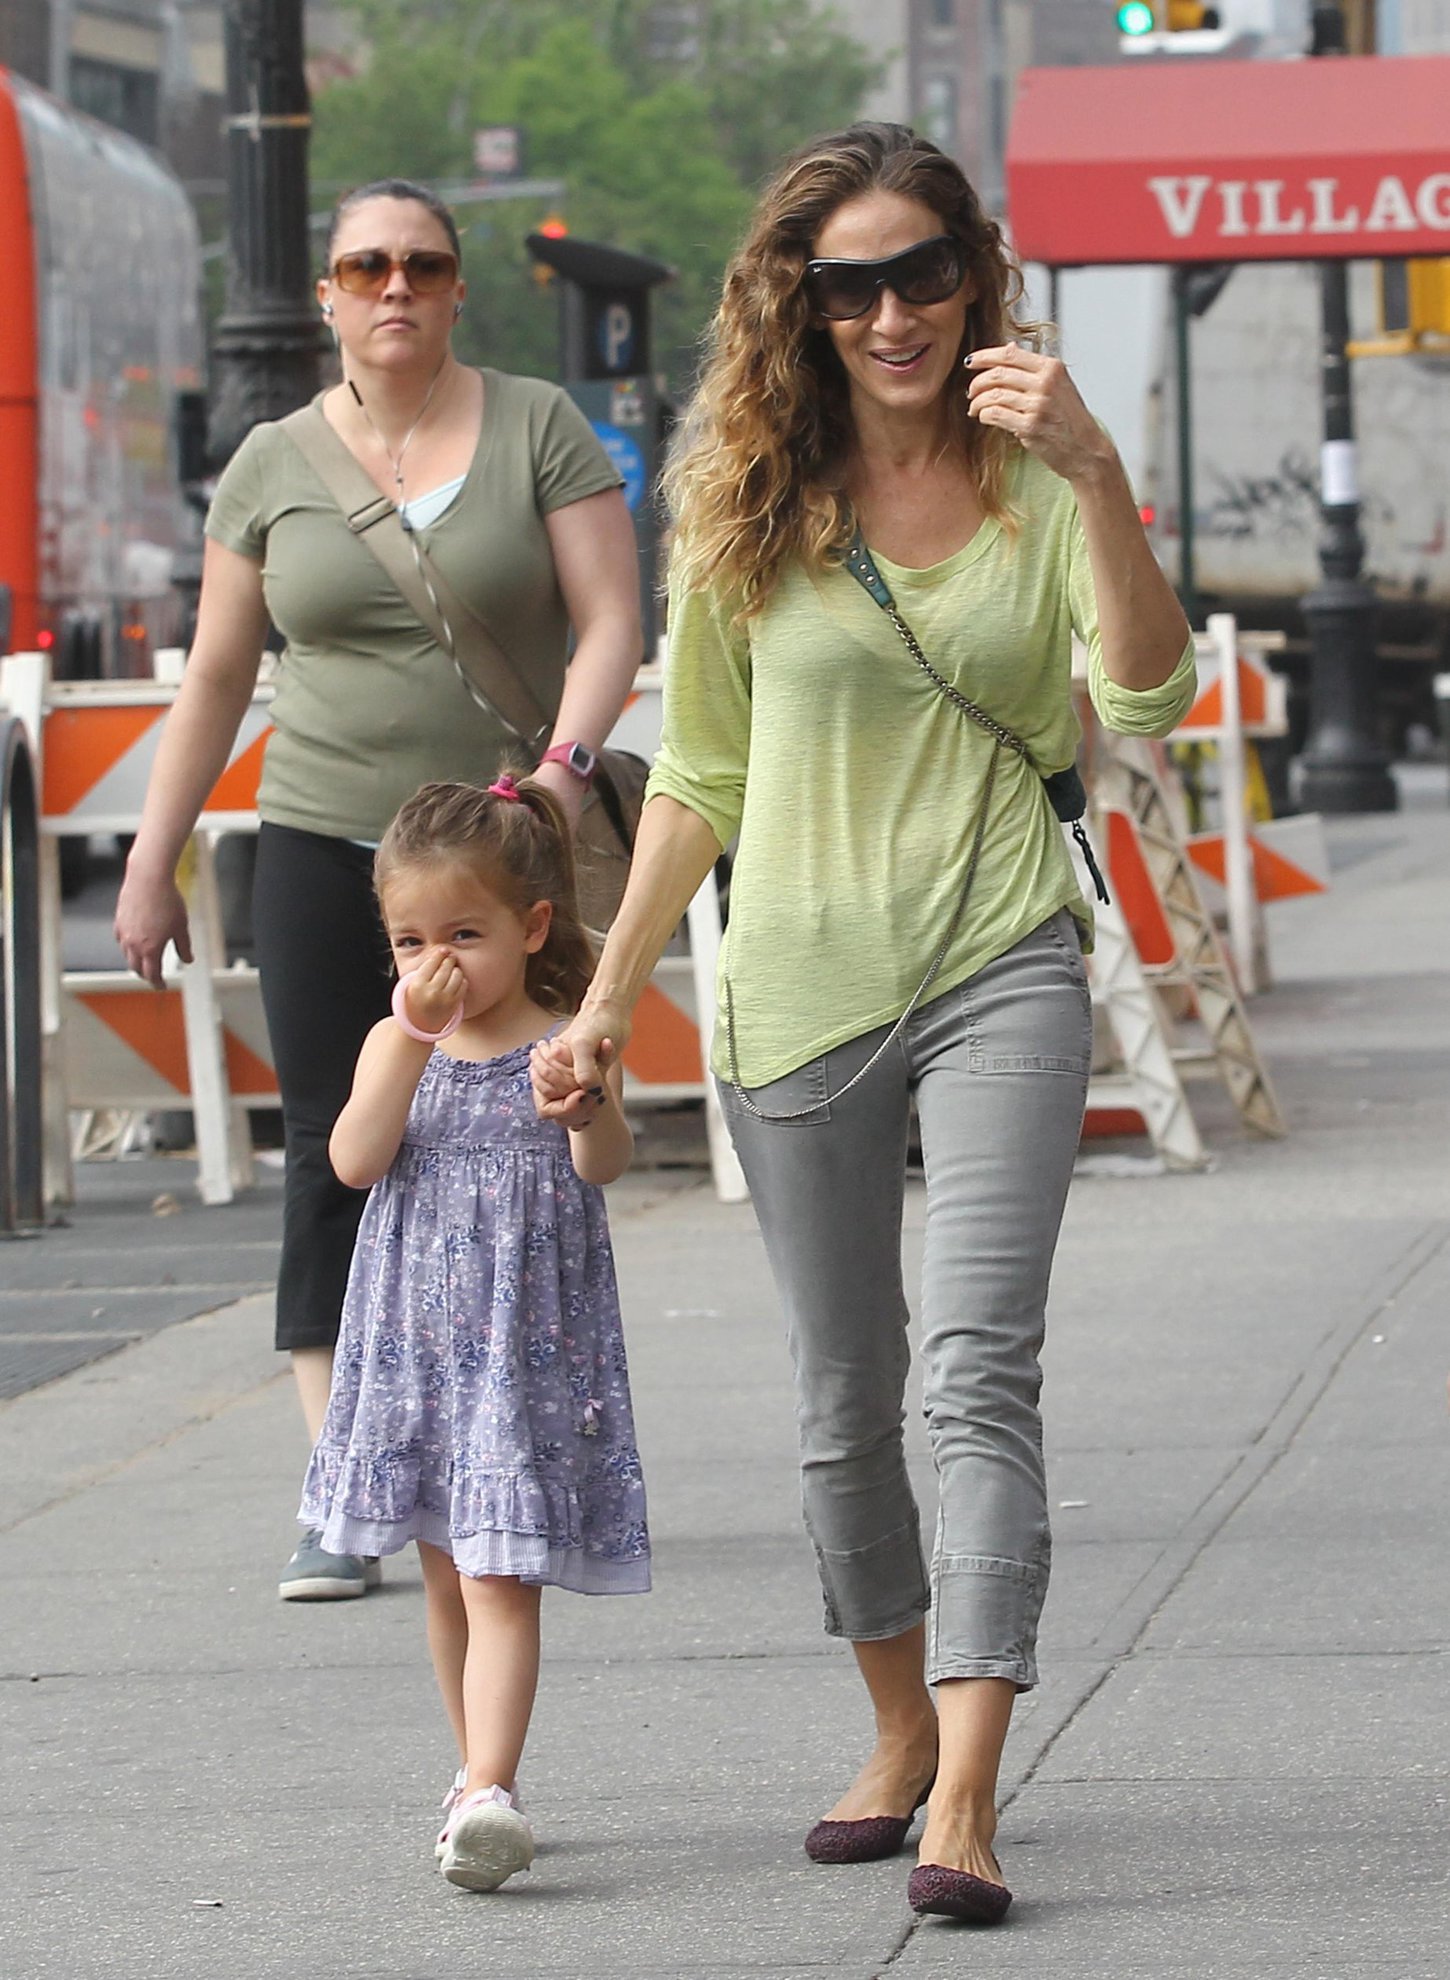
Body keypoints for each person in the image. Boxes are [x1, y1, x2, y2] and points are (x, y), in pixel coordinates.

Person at [532, 122, 1195, 1923]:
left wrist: (1104, 469)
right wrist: (603, 997)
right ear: (803, 305)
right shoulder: (749, 493)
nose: (893, 311)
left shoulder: (1041, 482)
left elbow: (1143, 686)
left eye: (922, 273)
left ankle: (970, 1786)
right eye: (852, 283)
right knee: (842, 1405)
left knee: (976, 1371)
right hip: (798, 984)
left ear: (975, 276)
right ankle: (897, 1728)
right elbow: (705, 779)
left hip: (999, 955)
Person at [113, 178, 642, 1602]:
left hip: (499, 852)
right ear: (330, 297)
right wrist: (152, 860)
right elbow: (220, 671)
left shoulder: (536, 424)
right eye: (365, 265)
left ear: (458, 288)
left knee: (531, 1134)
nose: (393, 286)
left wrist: (563, 777)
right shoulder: (273, 460)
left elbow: (611, 619)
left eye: (421, 264)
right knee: (332, 1138)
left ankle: (518, 1445)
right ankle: (341, 1488)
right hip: (321, 838)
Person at [304, 774, 646, 1891]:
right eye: (408, 939)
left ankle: (493, 1784)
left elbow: (605, 1168)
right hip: (419, 1349)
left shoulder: (564, 1041)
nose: (432, 962)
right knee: (447, 1573)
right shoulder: (394, 1041)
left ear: (531, 926)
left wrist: (583, 1104)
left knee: (501, 1578)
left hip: (522, 1354)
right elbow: (353, 1162)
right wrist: (408, 1033)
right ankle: (470, 1778)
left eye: (463, 933)